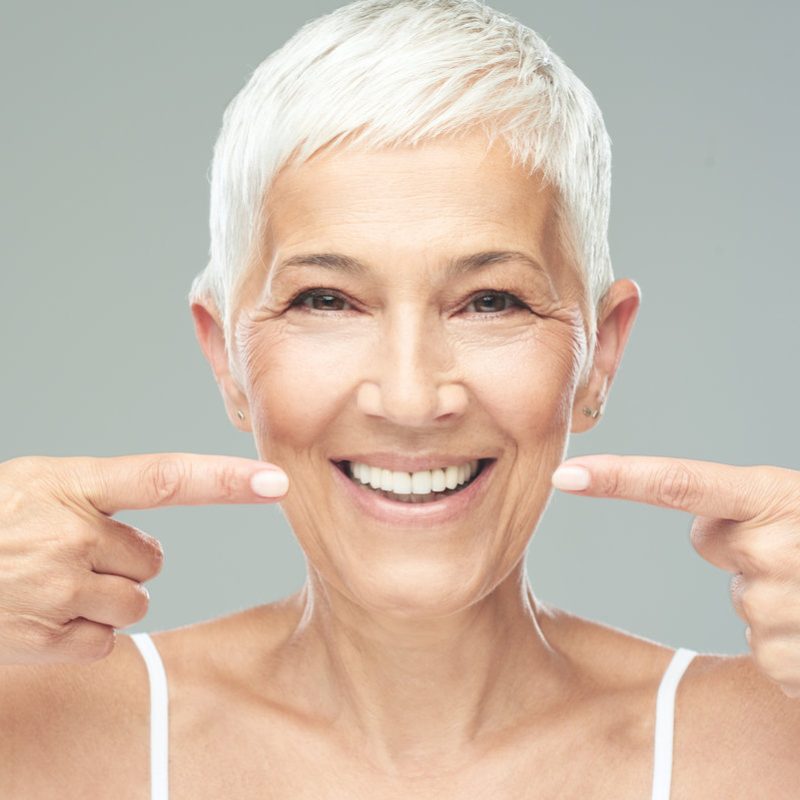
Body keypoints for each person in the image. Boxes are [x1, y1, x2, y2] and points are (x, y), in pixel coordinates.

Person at [2, 1, 799, 797]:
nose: (413, 398)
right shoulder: (33, 736)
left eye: (491, 301)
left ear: (600, 355)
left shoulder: (766, 749)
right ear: (226, 359)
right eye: (326, 301)